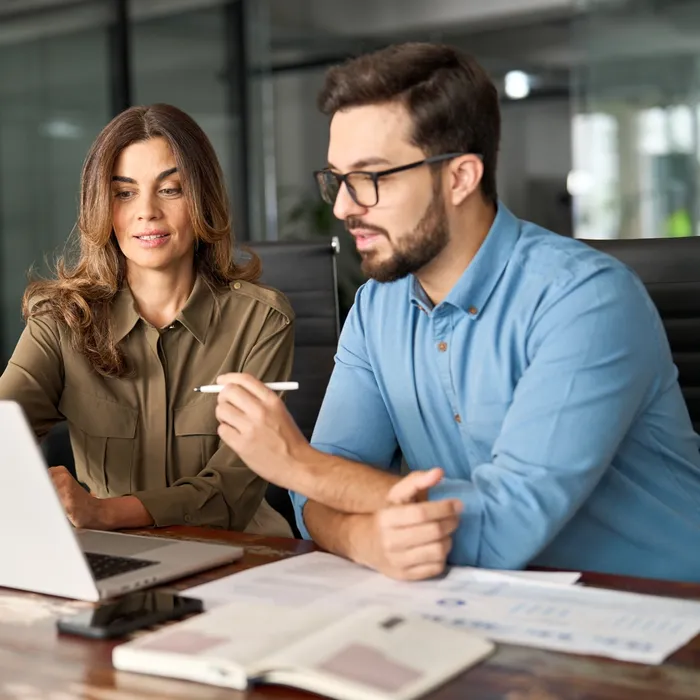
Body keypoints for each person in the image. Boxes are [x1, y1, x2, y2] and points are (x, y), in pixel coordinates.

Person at [213, 43, 700, 582]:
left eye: (372, 178)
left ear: (460, 178)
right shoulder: (378, 308)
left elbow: (501, 529)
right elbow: (317, 501)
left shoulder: (587, 300)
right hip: (486, 609)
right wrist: (362, 538)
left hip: (658, 615)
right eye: (336, 178)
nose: (343, 207)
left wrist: (297, 463)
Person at [0, 103, 293, 537]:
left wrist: (104, 513)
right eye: (124, 192)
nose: (147, 211)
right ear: (102, 205)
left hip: (241, 554)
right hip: (112, 558)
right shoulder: (60, 321)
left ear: (202, 198)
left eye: (170, 189)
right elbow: (8, 424)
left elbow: (233, 488)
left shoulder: (261, 319)